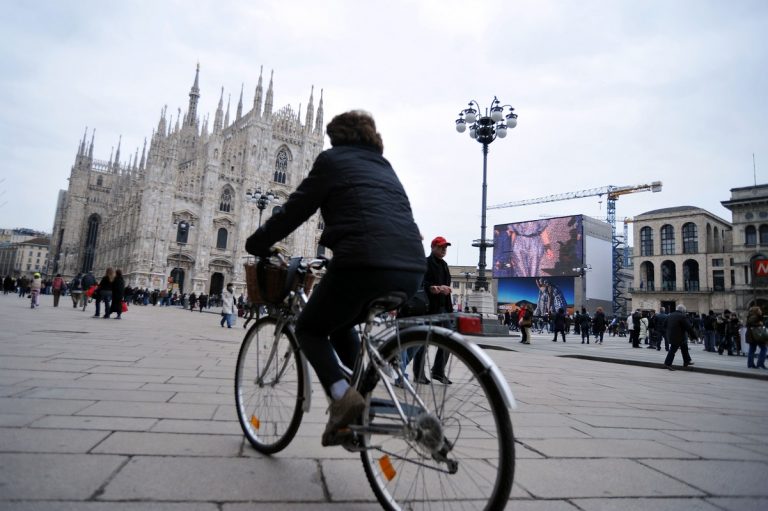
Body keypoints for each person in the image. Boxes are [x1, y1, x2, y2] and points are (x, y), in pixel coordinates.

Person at [245, 110, 425, 446]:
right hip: (412, 268)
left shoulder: (332, 161)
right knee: (340, 323)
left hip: (363, 262)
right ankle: (361, 399)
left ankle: (344, 398)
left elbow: (295, 210)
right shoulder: (385, 168)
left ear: (337, 138)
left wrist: (257, 242)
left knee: (309, 328)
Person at [412, 236, 453, 385]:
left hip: (443, 308)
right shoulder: (426, 262)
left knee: (449, 339)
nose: (444, 250)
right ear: (433, 247)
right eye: (441, 247)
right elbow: (421, 283)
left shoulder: (445, 265)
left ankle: (438, 371)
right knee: (424, 340)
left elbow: (446, 284)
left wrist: (447, 290)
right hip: (429, 308)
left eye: (445, 248)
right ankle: (419, 373)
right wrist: (432, 288)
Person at [664, 304, 698, 370]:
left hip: (671, 335)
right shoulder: (682, 316)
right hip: (679, 336)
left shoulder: (670, 315)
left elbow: (664, 325)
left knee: (684, 347)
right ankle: (667, 363)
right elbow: (689, 327)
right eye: (684, 311)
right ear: (682, 310)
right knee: (673, 349)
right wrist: (694, 336)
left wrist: (669, 331)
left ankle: (686, 361)